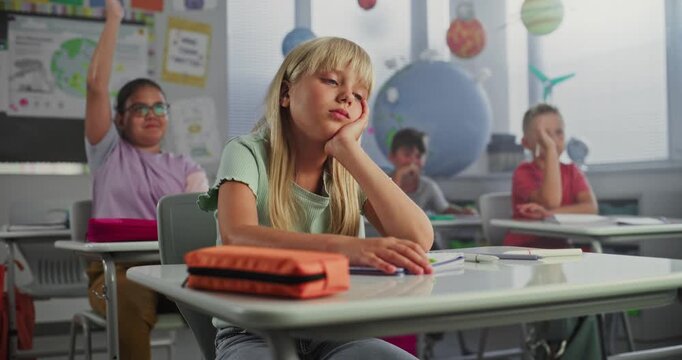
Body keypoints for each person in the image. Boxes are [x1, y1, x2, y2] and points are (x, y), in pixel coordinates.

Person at [198, 37, 433, 359]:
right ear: (285, 93)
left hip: (338, 329)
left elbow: (418, 238)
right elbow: (238, 236)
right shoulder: (245, 152)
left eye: (360, 95)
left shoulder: (351, 169)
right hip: (255, 333)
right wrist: (351, 250)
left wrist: (350, 150)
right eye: (332, 80)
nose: (347, 96)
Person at [84, 0, 208, 359]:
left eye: (160, 107)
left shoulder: (185, 166)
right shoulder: (108, 152)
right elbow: (95, 86)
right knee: (127, 294)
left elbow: (198, 220)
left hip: (171, 269)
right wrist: (114, 18)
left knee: (227, 291)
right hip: (112, 274)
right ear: (120, 118)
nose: (152, 115)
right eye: (140, 108)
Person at [504, 103, 598, 248]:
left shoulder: (572, 171)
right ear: (526, 143)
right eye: (545, 134)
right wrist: (550, 150)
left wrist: (548, 214)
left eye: (559, 132)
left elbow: (591, 208)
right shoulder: (523, 172)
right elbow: (550, 201)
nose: (553, 140)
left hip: (562, 248)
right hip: (526, 249)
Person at [389, 128, 476, 216]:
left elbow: (444, 209)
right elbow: (388, 206)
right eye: (407, 155)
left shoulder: (427, 186)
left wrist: (463, 211)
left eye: (418, 156)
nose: (413, 161)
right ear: (392, 157)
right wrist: (398, 177)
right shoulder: (381, 181)